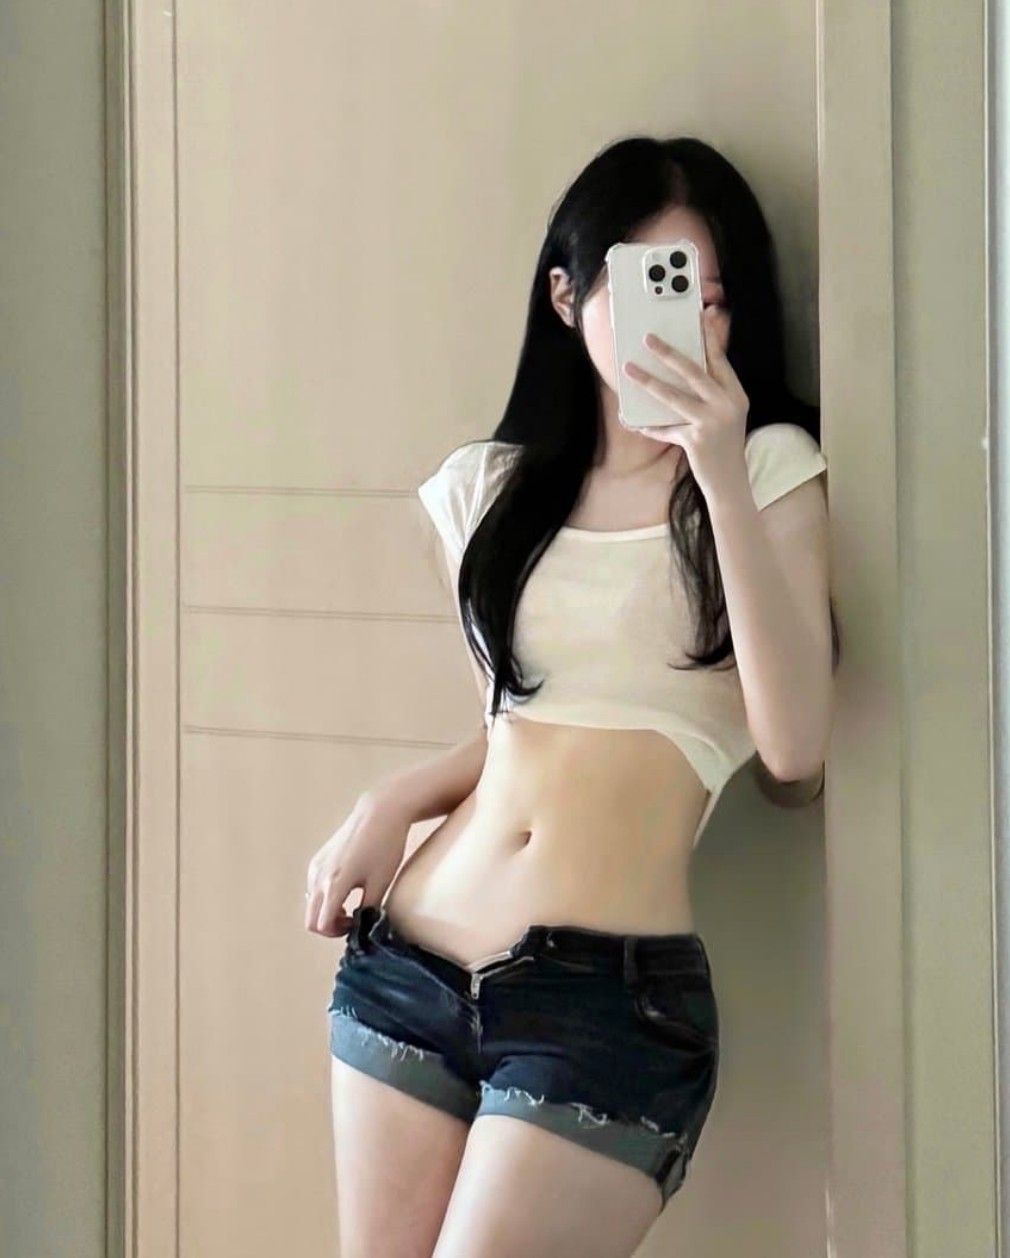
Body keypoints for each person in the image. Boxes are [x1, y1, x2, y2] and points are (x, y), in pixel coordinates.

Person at [305, 134, 837, 1258]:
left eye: (708, 295)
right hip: (409, 964)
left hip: (605, 1003)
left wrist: (716, 465)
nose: (685, 322)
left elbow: (793, 748)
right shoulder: (489, 491)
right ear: (566, 296)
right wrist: (394, 798)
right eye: (650, 287)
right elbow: (525, 729)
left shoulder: (768, 469)